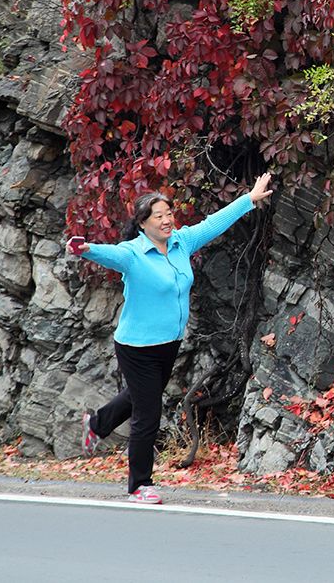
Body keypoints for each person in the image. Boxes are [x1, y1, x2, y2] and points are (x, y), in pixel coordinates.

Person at [68, 173, 274, 504]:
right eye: (159, 216)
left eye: (169, 214)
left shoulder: (181, 242)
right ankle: (139, 485)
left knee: (139, 396)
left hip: (169, 344)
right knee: (148, 412)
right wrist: (86, 248)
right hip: (136, 347)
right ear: (143, 223)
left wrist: (249, 199)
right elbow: (109, 254)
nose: (167, 221)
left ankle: (96, 423)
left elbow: (214, 223)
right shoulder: (133, 254)